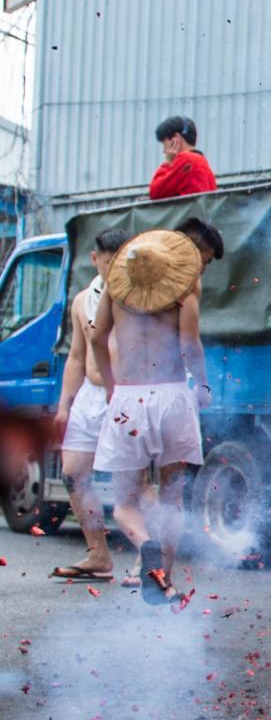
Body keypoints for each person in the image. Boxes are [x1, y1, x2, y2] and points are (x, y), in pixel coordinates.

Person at [91, 229, 214, 602]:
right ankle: (165, 579)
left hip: (129, 398)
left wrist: (112, 386)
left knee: (126, 503)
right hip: (173, 396)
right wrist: (204, 387)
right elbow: (190, 346)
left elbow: (97, 338)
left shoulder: (114, 292)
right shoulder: (184, 294)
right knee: (172, 499)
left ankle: (144, 543)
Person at [48, 228, 138, 581]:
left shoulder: (139, 299)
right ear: (94, 259)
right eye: (107, 260)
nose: (112, 267)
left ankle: (147, 558)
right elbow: (75, 356)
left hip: (125, 395)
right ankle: (98, 555)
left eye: (120, 261)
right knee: (72, 474)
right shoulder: (82, 300)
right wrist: (64, 407)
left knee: (130, 484)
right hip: (89, 395)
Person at [148, 116, 217, 201]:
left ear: (175, 139)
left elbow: (156, 192)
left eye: (164, 144)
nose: (164, 150)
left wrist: (169, 162)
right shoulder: (201, 161)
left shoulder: (187, 160)